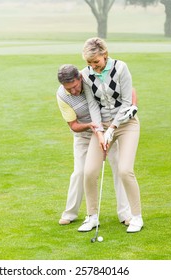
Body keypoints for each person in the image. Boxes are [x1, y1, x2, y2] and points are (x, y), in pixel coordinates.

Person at [56, 64, 136, 229]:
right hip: (84, 134)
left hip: (108, 128)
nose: (73, 91)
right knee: (80, 172)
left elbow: (129, 91)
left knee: (119, 168)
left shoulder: (93, 78)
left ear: (80, 77)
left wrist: (132, 107)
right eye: (68, 88)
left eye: (75, 86)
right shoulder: (62, 95)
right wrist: (93, 127)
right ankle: (70, 213)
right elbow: (73, 125)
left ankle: (125, 214)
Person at [80, 37, 143, 233]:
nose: (94, 67)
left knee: (125, 170)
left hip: (126, 124)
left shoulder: (121, 68)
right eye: (89, 63)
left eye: (96, 62)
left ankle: (136, 217)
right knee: (89, 171)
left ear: (105, 55)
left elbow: (126, 102)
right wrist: (99, 132)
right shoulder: (86, 74)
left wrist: (112, 128)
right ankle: (92, 217)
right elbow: (92, 105)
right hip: (103, 127)